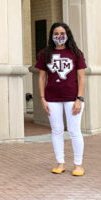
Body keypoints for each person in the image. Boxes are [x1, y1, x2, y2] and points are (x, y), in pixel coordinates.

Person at [35, 22, 86, 176]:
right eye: (56, 33)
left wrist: (80, 98)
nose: (59, 36)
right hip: (52, 99)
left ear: (67, 34)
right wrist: (43, 98)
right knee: (56, 131)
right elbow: (41, 77)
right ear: (52, 35)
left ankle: (78, 165)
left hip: (72, 98)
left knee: (74, 131)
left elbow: (81, 77)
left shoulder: (76, 53)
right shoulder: (45, 54)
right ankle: (60, 163)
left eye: (62, 33)